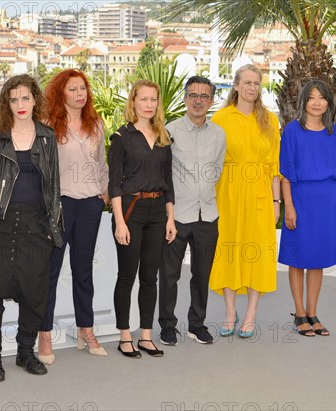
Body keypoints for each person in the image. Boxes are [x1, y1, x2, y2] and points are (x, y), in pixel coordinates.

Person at [0, 74, 62, 382]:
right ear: (7, 103)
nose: (20, 105)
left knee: (35, 293)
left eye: (25, 98)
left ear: (35, 100)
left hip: (36, 225)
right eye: (13, 99)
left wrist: (51, 228)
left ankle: (25, 352)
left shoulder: (47, 136)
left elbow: (54, 186)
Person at [37, 69, 109, 364]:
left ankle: (86, 329)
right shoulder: (47, 125)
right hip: (60, 206)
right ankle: (44, 335)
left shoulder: (96, 124)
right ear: (60, 94)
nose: (80, 94)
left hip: (90, 206)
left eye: (83, 89)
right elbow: (41, 169)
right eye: (73, 89)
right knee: (50, 273)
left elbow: (101, 162)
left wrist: (103, 191)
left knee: (83, 271)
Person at [279, 79, 336, 336]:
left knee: (318, 259)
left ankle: (313, 312)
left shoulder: (335, 134)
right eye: (311, 97)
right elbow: (285, 173)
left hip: (327, 202)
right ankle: (299, 313)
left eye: (321, 97)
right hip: (300, 200)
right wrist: (288, 206)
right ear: (304, 102)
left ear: (329, 103)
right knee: (298, 258)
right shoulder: (291, 131)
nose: (316, 102)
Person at [209, 64, 281, 338]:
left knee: (258, 252)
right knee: (228, 249)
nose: (252, 87)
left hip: (261, 194)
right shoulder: (221, 118)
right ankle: (230, 312)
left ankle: (250, 313)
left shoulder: (270, 120)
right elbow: (211, 161)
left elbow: (274, 166)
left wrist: (277, 202)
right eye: (247, 82)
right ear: (236, 85)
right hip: (227, 193)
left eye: (256, 83)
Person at [108, 79, 176, 358]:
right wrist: (120, 222)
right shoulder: (121, 138)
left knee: (150, 277)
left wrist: (170, 218)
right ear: (133, 102)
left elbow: (168, 181)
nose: (149, 105)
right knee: (127, 276)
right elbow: (113, 184)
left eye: (153, 100)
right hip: (129, 210)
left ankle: (146, 336)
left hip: (158, 211)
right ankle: (125, 336)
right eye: (143, 99)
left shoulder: (163, 138)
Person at [159, 76, 226, 346]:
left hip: (208, 214)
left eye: (204, 96)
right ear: (185, 98)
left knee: (202, 274)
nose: (199, 101)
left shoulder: (219, 133)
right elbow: (163, 173)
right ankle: (167, 326)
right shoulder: (170, 130)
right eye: (193, 95)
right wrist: (168, 214)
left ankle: (197, 324)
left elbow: (217, 170)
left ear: (211, 101)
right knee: (170, 274)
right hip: (177, 215)